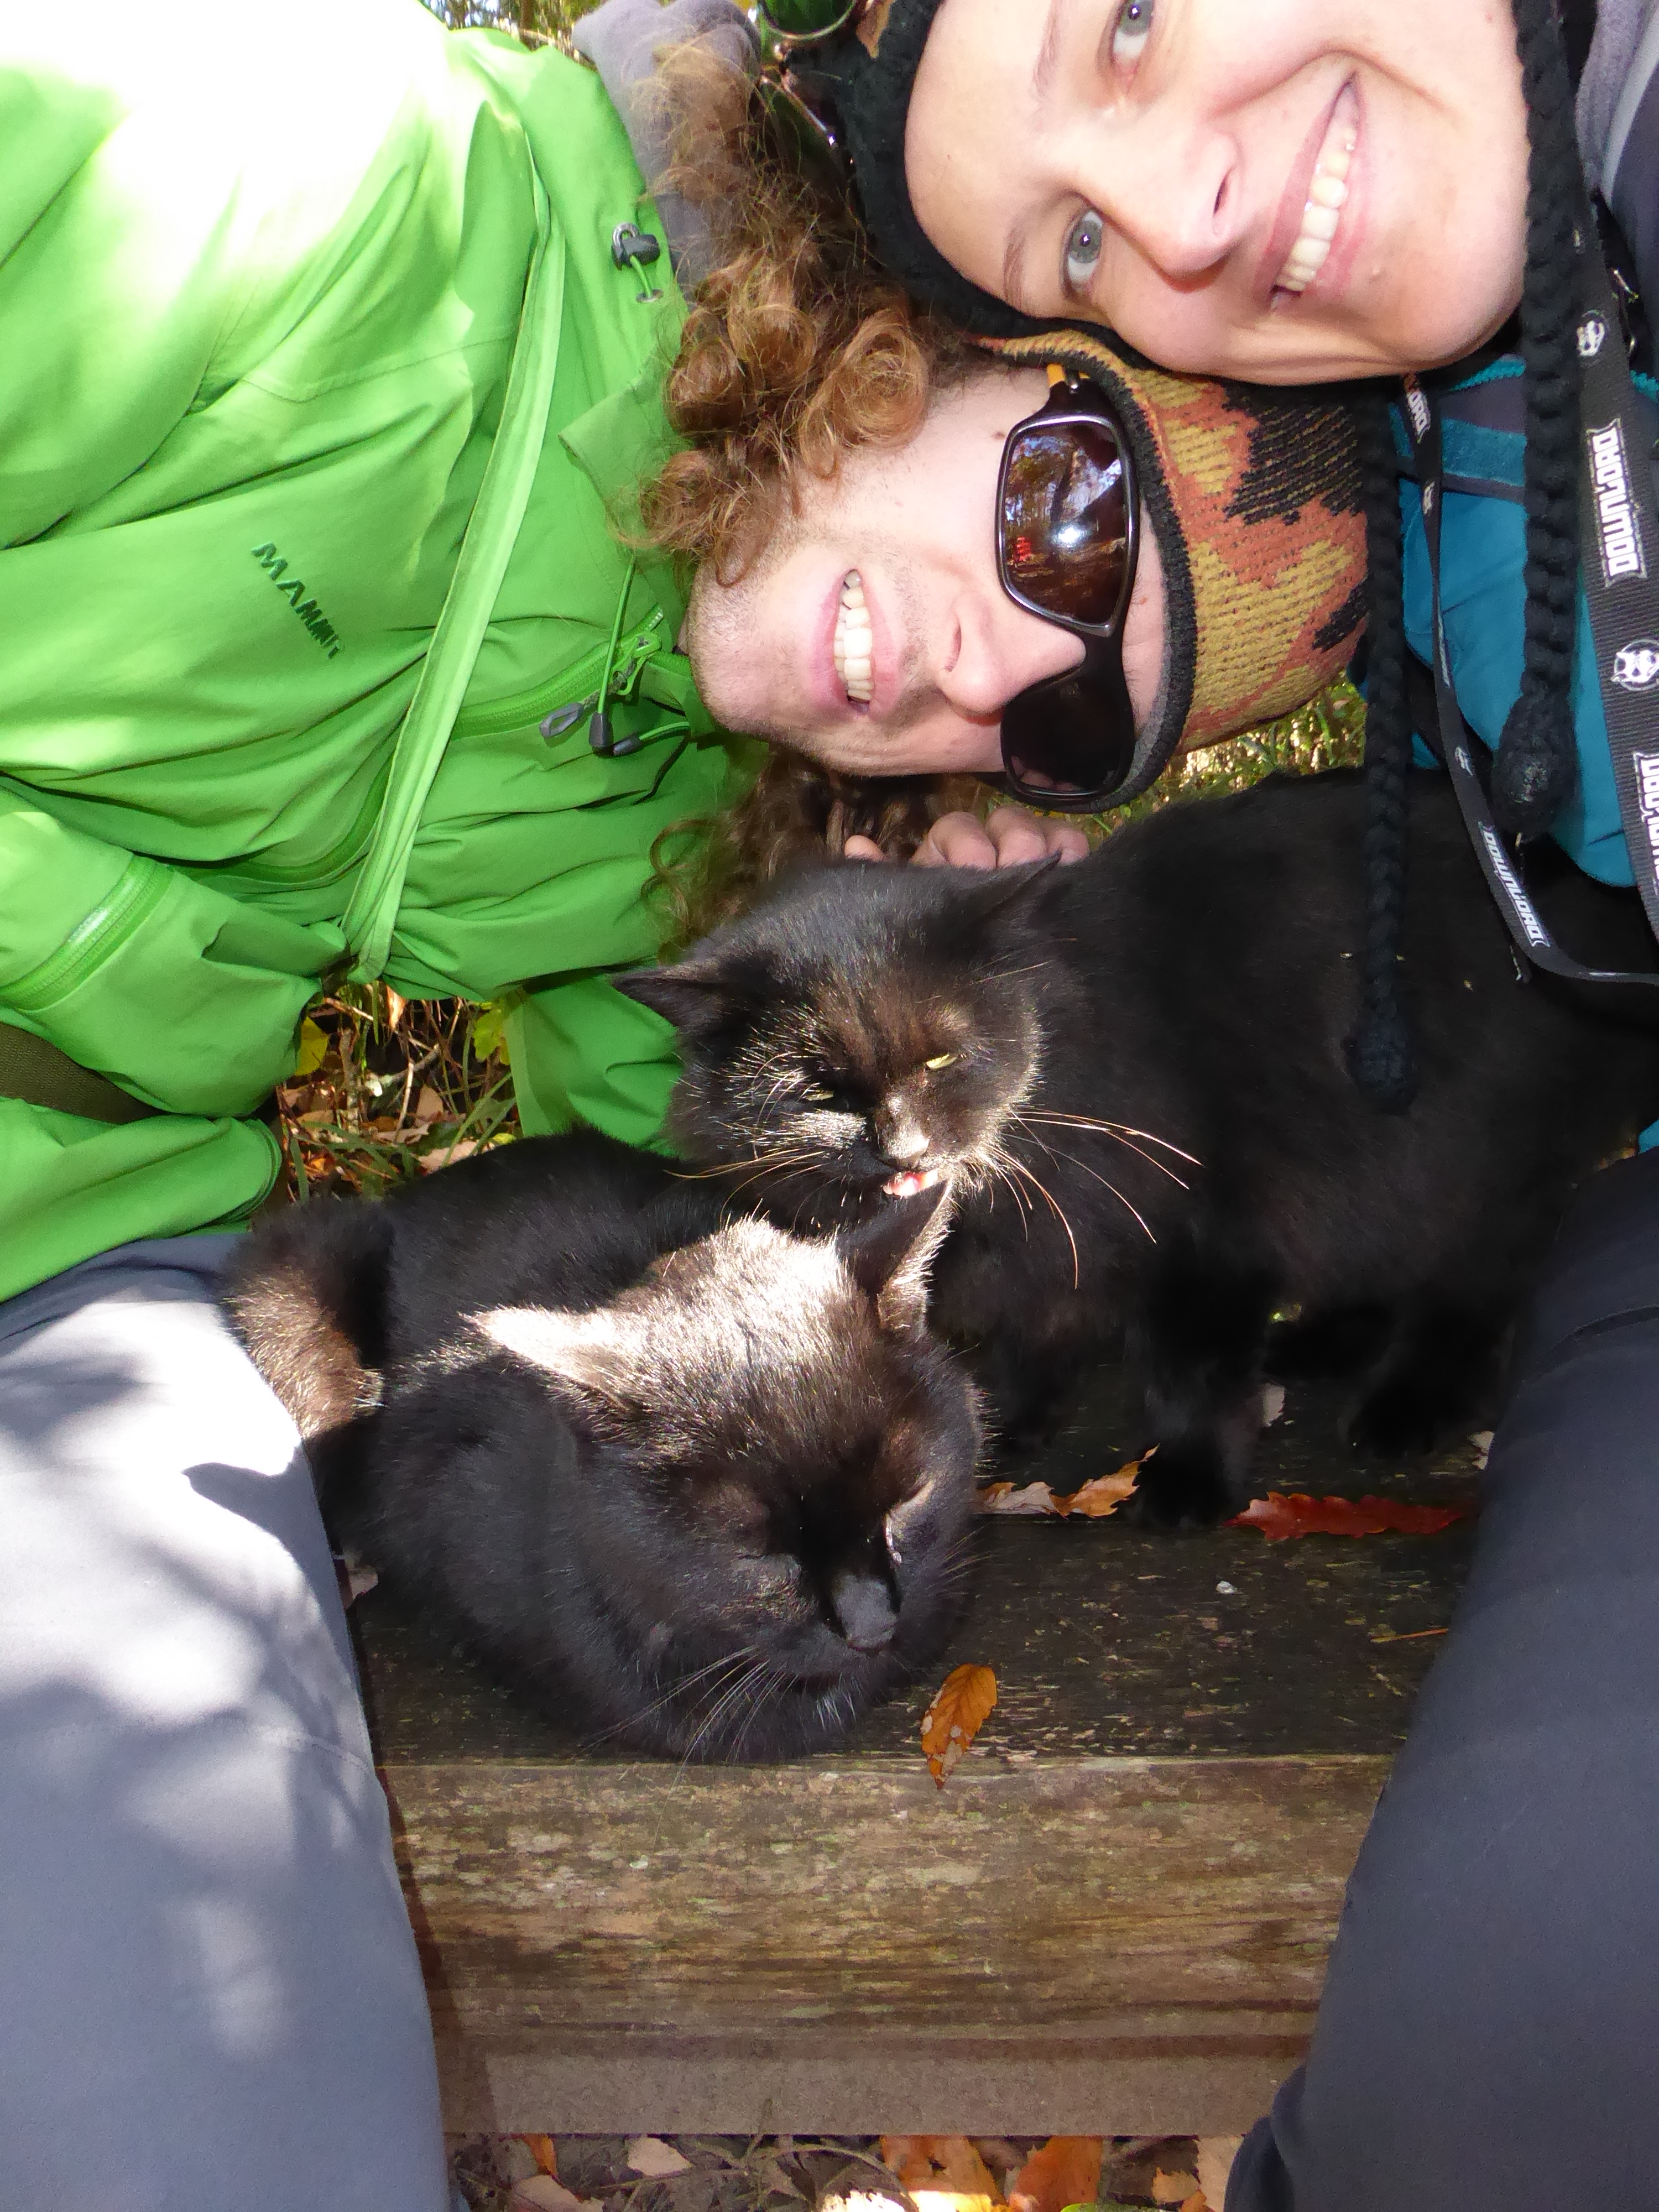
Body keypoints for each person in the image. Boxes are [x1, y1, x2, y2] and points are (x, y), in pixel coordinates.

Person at [0, 4, 1366, 2203]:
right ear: (931, 309)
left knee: (218, 2120)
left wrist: (896, 995)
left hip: (67, 1263)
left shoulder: (674, 814)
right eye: (1067, 513)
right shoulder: (310, 186)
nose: (988, 665)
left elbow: (692, 1231)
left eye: (1065, 726)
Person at [722, 1, 1659, 2205]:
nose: (1180, 207)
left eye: (1128, 16)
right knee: (1486, 2094)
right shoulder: (1440, 525)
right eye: (1075, 248)